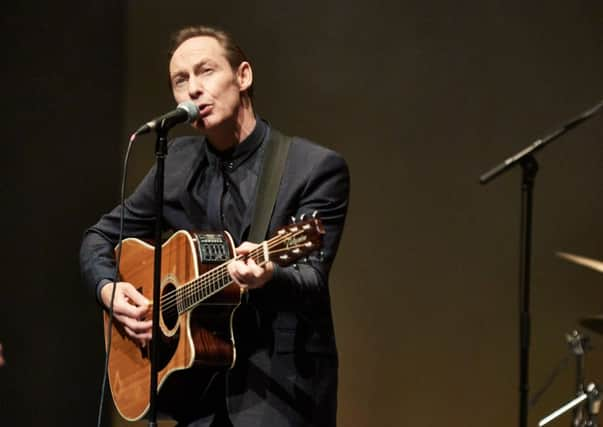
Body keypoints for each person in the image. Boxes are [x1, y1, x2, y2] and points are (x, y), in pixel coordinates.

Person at [80, 25, 350, 427]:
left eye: (205, 71)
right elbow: (99, 237)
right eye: (180, 80)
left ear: (243, 76)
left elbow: (311, 277)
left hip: (278, 393)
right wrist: (109, 288)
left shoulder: (312, 168)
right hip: (196, 394)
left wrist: (268, 274)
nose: (192, 89)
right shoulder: (176, 166)